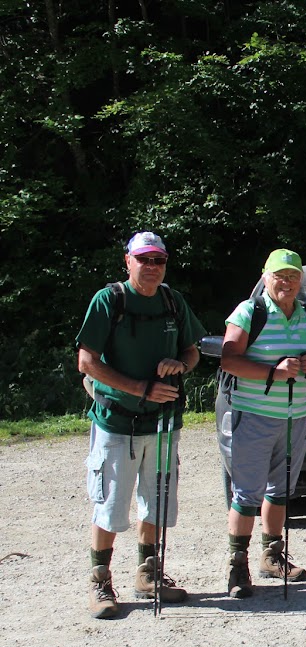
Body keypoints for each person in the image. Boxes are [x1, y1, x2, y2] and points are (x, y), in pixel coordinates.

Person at [76, 231, 206, 618]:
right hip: (116, 421)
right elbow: (87, 362)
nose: (152, 267)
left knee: (158, 499)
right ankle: (100, 581)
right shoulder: (109, 300)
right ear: (127, 260)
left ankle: (149, 572)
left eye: (159, 260)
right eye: (144, 259)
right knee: (111, 504)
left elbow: (192, 350)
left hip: (164, 422)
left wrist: (179, 364)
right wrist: (139, 388)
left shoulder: (171, 300)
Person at [220, 249, 306, 598]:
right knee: (247, 494)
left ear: (301, 281)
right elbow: (228, 360)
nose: (287, 282)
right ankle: (237, 567)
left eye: (293, 276)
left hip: (296, 416)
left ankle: (272, 554)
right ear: (265, 276)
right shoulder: (249, 311)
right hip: (254, 415)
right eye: (280, 275)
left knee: (281, 489)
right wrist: (274, 372)